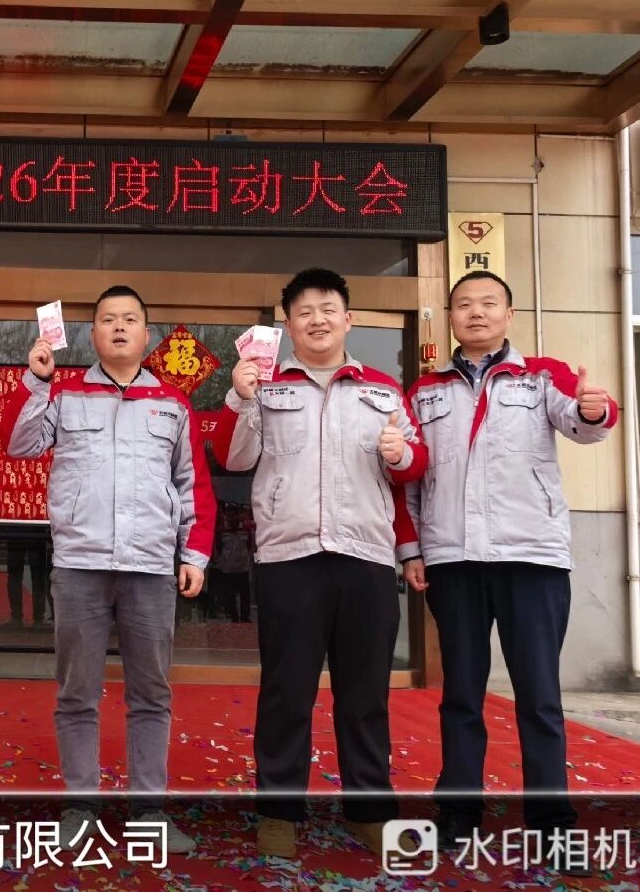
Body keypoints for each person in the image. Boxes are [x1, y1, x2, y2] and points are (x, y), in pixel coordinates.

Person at [209, 268, 427, 860]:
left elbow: (414, 467)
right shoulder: (267, 387)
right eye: (304, 312)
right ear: (288, 324)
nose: (317, 320)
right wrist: (239, 397)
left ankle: (369, 810)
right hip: (290, 558)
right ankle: (278, 812)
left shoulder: (383, 390)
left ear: (348, 319)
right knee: (287, 692)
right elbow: (231, 456)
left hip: (365, 559)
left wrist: (401, 453)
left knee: (365, 695)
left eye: (328, 309)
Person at [401, 271, 617, 865]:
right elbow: (411, 477)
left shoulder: (543, 375)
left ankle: (552, 824)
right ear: (450, 316)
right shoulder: (425, 392)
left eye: (488, 303)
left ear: (509, 314)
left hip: (532, 559)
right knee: (461, 695)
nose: (476, 312)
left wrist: (596, 410)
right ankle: (458, 814)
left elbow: (583, 421)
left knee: (539, 696)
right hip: (454, 560)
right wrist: (412, 549)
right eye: (464, 304)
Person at [2, 285, 215, 854]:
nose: (119, 328)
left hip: (150, 567)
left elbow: (193, 485)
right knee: (77, 693)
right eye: (107, 320)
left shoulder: (172, 404)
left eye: (130, 319)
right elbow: (20, 445)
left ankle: (149, 813)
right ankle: (81, 807)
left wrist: (193, 555)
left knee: (152, 694)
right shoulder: (65, 395)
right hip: (79, 566)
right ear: (92, 334)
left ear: (147, 335)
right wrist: (36, 383)